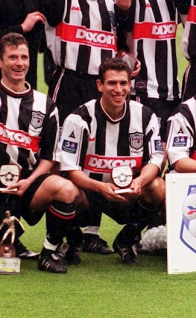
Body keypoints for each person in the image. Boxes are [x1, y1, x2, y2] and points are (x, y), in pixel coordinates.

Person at [0, 0, 80, 273]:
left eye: (23, 57)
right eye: (12, 57)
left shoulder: (45, 104)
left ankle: (50, 251)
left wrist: (30, 180)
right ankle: (3, 242)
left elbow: (48, 157)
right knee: (3, 260)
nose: (19, 63)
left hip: (28, 184)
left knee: (67, 189)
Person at [58, 57, 166, 265]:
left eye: (123, 83)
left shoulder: (145, 116)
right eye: (112, 83)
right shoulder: (79, 118)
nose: (118, 89)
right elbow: (69, 167)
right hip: (90, 192)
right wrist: (99, 187)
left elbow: (156, 158)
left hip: (128, 193)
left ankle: (127, 239)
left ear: (130, 84)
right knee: (62, 186)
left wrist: (140, 182)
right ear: (100, 85)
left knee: (158, 187)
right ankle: (72, 240)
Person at [115, 0, 183, 139]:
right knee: (141, 153)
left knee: (169, 153)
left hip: (171, 91)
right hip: (140, 91)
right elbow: (123, 3)